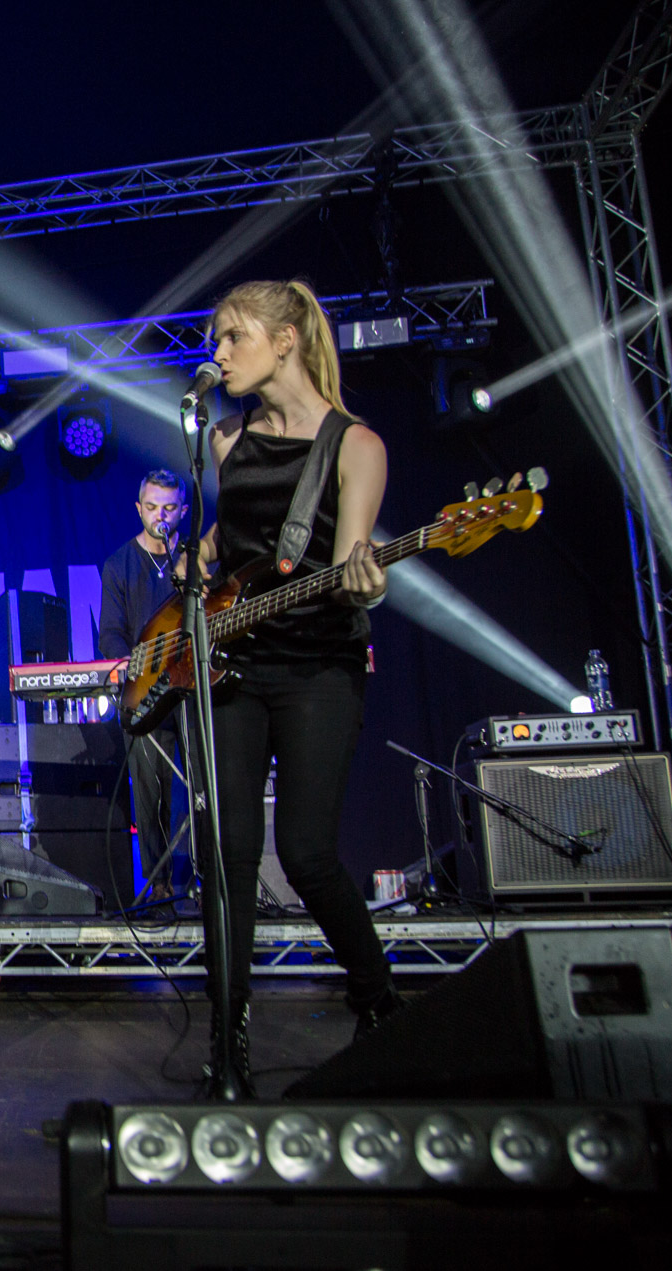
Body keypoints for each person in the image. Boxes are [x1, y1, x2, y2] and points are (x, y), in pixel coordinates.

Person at [196, 279, 400, 1095]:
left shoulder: (355, 445)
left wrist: (364, 582)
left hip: (318, 666)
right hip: (234, 668)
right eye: (213, 339)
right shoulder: (222, 438)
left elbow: (352, 557)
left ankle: (378, 1000)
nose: (216, 354)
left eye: (232, 338)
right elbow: (228, 541)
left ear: (283, 341)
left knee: (307, 854)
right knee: (230, 858)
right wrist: (194, 562)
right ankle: (229, 1042)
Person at [97, 470, 193, 904]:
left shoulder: (193, 561)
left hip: (192, 687)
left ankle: (208, 877)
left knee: (204, 785)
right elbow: (112, 635)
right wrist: (130, 667)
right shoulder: (119, 564)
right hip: (146, 692)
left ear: (183, 512)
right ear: (139, 509)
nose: (160, 516)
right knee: (150, 791)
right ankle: (159, 882)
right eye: (152, 507)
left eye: (169, 508)